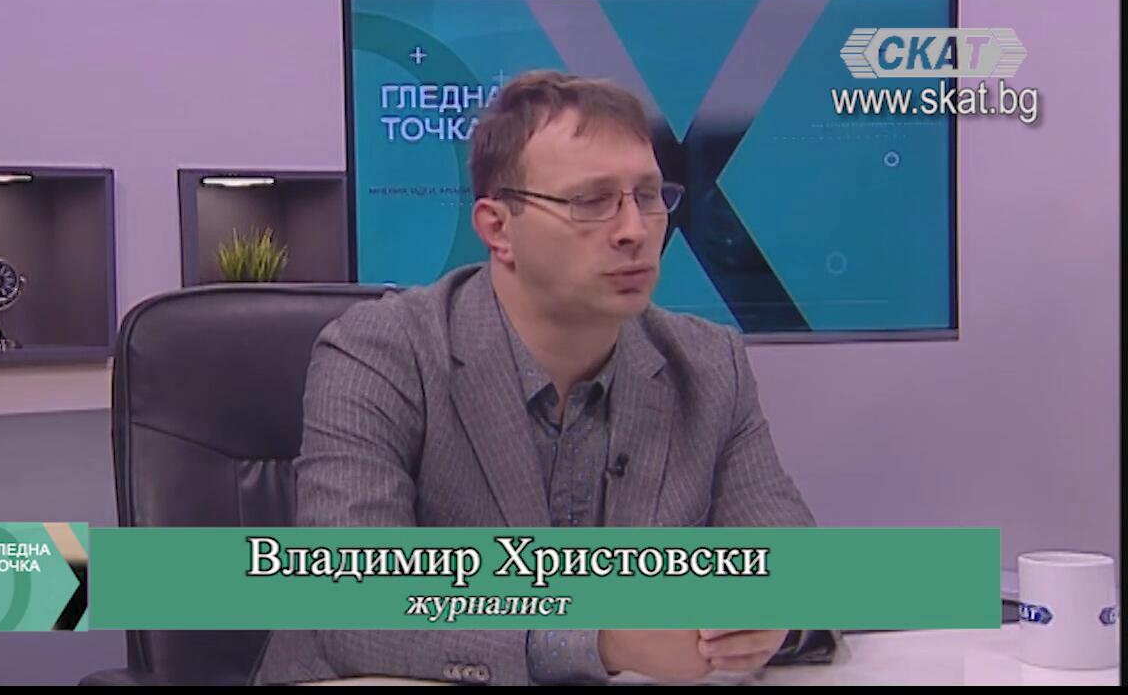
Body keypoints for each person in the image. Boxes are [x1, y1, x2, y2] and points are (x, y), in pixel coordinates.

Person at [256, 70, 818, 686]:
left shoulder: (710, 365)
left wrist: (770, 614)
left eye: (648, 195)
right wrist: (600, 638)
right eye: (591, 201)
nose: (634, 230)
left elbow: (792, 562)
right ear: (498, 228)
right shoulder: (381, 354)